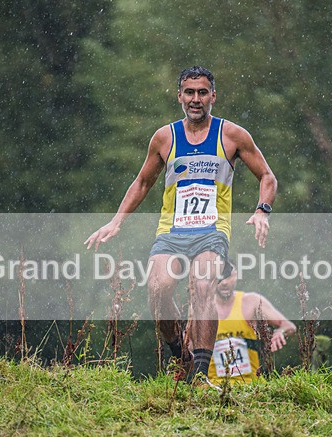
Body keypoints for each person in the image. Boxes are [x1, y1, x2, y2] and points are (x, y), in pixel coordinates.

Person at [85, 66, 278, 383]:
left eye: (203, 92)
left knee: (203, 286)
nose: (196, 99)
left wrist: (262, 210)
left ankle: (201, 374)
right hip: (171, 232)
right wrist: (116, 222)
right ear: (179, 96)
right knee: (158, 290)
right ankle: (180, 355)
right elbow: (143, 182)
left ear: (213, 96)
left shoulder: (232, 136)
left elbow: (267, 176)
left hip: (211, 233)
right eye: (190, 92)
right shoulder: (165, 137)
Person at [207, 262, 296, 386]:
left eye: (228, 276)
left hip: (250, 386)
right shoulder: (203, 309)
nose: (225, 282)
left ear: (236, 275)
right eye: (220, 277)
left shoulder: (251, 302)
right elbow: (188, 347)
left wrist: (279, 331)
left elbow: (288, 325)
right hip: (213, 387)